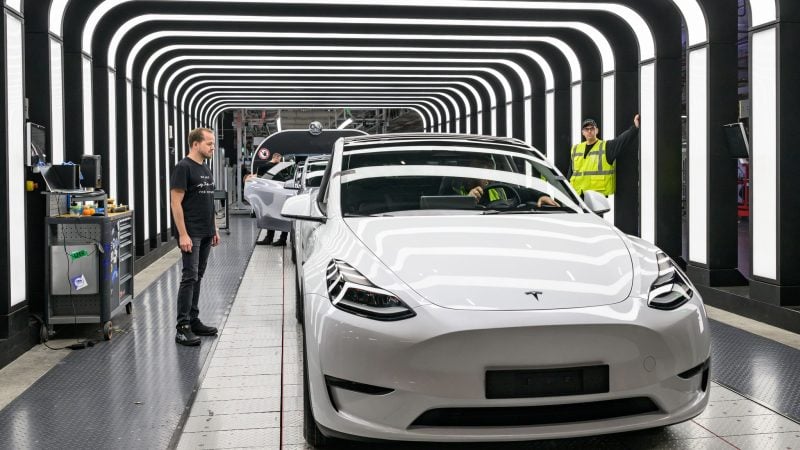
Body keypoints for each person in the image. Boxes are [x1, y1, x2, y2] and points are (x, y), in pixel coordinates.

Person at [170, 127, 220, 346]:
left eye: (213, 143)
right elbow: (175, 203)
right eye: (209, 143)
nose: (212, 147)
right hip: (191, 233)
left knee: (198, 276)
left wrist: (215, 228)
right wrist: (183, 234)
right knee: (189, 277)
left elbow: (208, 202)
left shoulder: (205, 168)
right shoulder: (183, 167)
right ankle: (182, 328)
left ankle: (193, 319)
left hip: (206, 232)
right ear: (195, 144)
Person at [449, 154, 560, 207]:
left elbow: (525, 193)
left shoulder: (499, 189)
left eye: (488, 170)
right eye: (479, 169)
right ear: (466, 173)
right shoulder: (452, 190)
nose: (486, 176)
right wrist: (467, 200)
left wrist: (541, 196)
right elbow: (445, 209)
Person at [568, 114, 640, 196]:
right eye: (586, 129)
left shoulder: (606, 147)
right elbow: (570, 174)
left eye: (592, 128)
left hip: (597, 198)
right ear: (583, 132)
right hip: (576, 196)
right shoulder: (575, 149)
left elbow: (622, 140)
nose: (589, 131)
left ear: (597, 131)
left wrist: (635, 127)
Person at [244, 152, 289, 246]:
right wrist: (249, 178)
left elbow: (255, 177)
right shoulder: (271, 167)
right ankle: (280, 239)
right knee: (281, 215)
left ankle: (271, 238)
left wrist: (249, 178)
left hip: (272, 195)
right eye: (280, 159)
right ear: (276, 157)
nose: (280, 161)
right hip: (281, 194)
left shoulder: (265, 167)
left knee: (271, 213)